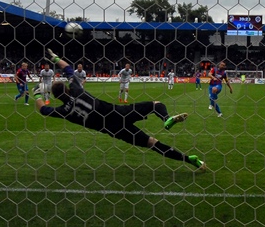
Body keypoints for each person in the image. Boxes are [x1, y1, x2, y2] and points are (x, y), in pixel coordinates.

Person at [34, 49, 206, 170]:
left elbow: (43, 110)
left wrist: (37, 95)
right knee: (155, 104)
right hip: (119, 112)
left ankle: (189, 159)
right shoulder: (77, 90)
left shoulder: (64, 111)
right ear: (67, 88)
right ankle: (166, 118)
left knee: (151, 143)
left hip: (114, 129)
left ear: (56, 97)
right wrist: (56, 59)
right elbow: (68, 69)